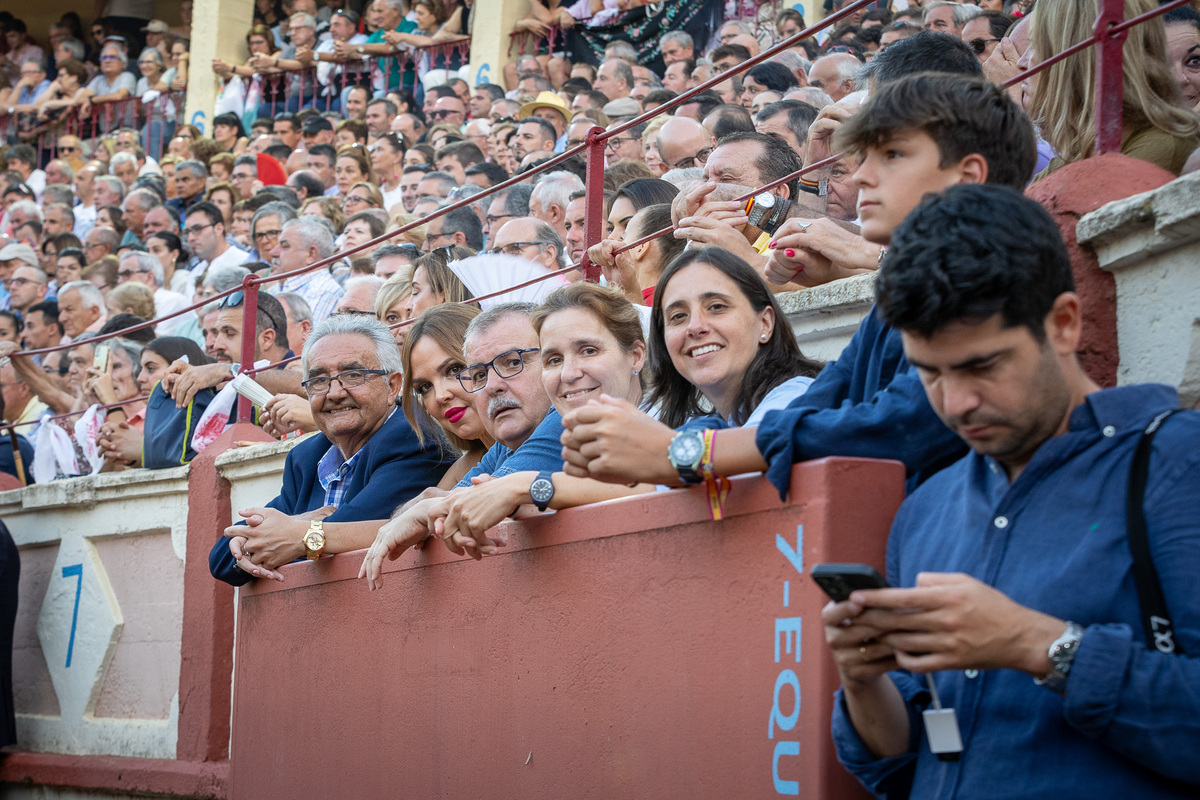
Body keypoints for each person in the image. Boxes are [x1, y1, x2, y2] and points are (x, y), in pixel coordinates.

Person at [826, 183, 1200, 796]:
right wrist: (864, 679)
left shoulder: (1176, 464)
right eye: (930, 374)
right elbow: (912, 756)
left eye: (982, 366)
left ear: (1064, 324)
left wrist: (1036, 644)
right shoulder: (925, 509)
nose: (957, 403)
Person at [560, 72, 1036, 499]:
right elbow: (825, 398)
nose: (862, 175)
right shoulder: (906, 288)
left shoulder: (984, 267)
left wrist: (686, 450)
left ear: (967, 176)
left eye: (891, 154)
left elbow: (892, 424)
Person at [210, 315, 453, 584]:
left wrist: (293, 531)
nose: (334, 392)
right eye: (319, 380)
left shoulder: (414, 441)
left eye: (353, 375)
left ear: (392, 385)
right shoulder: (306, 458)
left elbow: (342, 538)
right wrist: (303, 520)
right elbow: (220, 560)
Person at [359, 302, 570, 586]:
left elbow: (471, 502)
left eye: (512, 362)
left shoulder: (567, 414)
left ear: (553, 361)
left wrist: (431, 510)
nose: (492, 385)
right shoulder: (503, 448)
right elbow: (419, 515)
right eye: (480, 374)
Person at [1025, 0, 1200, 178]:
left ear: (1073, 61)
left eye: (1035, 45)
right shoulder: (1079, 150)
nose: (1022, 62)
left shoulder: (1164, 146)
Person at [399, 303, 491, 486]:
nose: (440, 396)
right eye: (425, 387)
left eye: (454, 370)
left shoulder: (551, 440)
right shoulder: (466, 468)